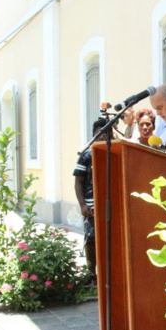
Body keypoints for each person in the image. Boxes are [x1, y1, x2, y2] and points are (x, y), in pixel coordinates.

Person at [74, 117, 108, 282]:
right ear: (93, 135)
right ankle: (91, 274)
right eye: (98, 134)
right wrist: (82, 204)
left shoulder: (114, 153)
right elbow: (78, 182)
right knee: (91, 239)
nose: (102, 137)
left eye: (106, 133)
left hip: (110, 206)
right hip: (91, 206)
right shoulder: (86, 156)